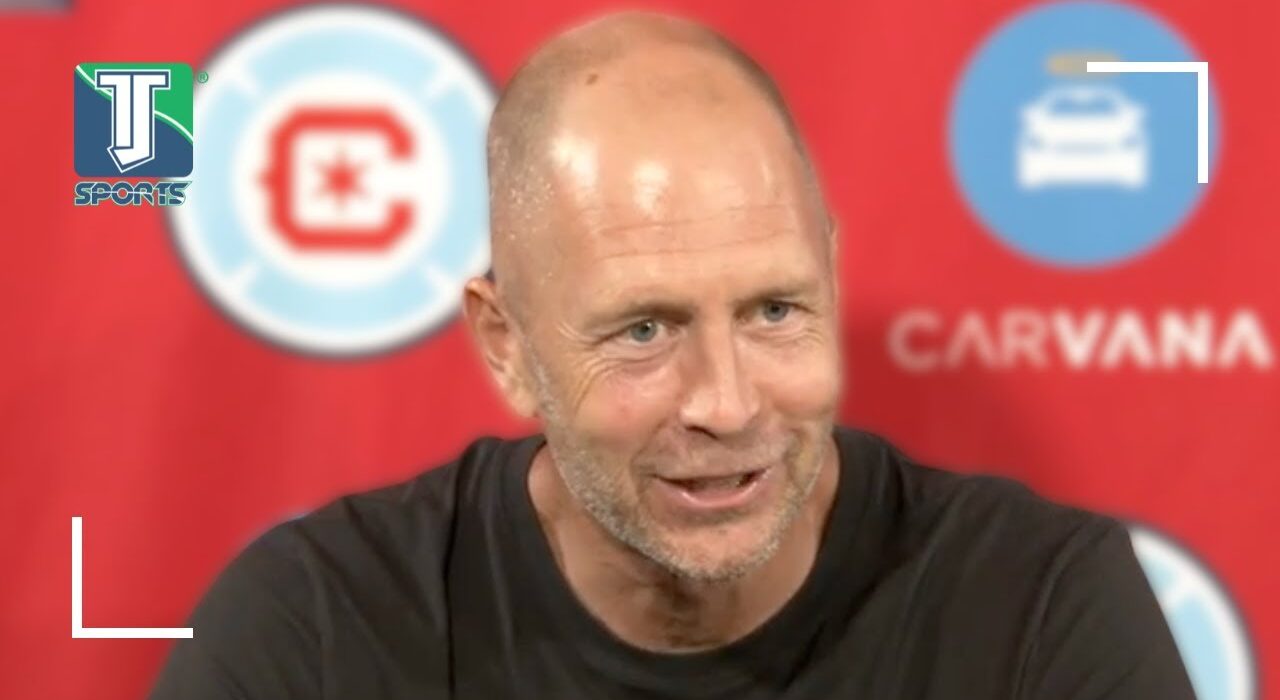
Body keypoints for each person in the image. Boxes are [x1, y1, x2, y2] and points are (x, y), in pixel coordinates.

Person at [150, 11, 1195, 699]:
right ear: (505, 344)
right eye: (644, 330)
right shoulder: (316, 633)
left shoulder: (1037, 608)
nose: (726, 404)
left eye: (775, 311)